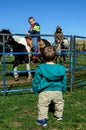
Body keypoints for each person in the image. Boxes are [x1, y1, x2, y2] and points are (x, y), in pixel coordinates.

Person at [32, 46, 67, 127]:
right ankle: (59, 115)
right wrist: (63, 88)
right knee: (59, 103)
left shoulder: (41, 68)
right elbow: (64, 80)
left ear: (42, 58)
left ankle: (42, 120)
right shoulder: (61, 68)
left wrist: (35, 89)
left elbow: (36, 80)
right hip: (58, 90)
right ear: (55, 57)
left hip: (45, 91)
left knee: (43, 105)